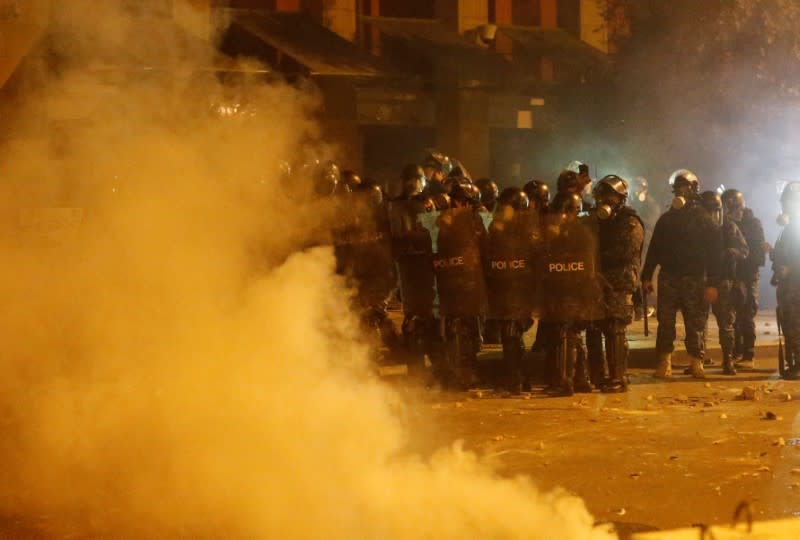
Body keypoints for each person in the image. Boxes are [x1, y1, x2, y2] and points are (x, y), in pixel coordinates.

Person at [641, 169, 722, 379]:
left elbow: (715, 255)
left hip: (695, 279)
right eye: (677, 187)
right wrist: (646, 276)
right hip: (669, 278)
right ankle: (664, 363)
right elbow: (655, 249)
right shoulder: (667, 220)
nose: (680, 191)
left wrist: (713, 283)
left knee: (695, 323)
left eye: (684, 187)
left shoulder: (704, 220)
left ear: (694, 189)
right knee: (665, 323)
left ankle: (696, 362)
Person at [540, 192, 602, 395]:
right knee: (573, 335)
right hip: (563, 289)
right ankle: (580, 378)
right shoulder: (559, 232)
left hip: (574, 290)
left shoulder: (579, 234)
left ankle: (564, 381)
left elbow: (583, 265)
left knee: (566, 333)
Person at [430, 179, 489, 388]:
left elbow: (484, 246)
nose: (460, 205)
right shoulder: (442, 221)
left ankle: (471, 362)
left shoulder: (476, 221)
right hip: (448, 275)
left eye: (464, 202)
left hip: (470, 278)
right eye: (457, 201)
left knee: (472, 322)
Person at [592, 175, 645, 392]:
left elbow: (624, 252)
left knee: (616, 328)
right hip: (599, 282)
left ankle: (618, 377)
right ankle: (600, 373)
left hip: (620, 282)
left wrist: (594, 256)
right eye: (601, 195)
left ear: (621, 198)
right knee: (598, 327)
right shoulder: (598, 221)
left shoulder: (630, 222)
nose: (605, 200)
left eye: (610, 196)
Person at [485, 187, 540, 393]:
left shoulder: (528, 231)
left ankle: (515, 379)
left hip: (520, 289)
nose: (500, 211)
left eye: (505, 208)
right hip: (502, 287)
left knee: (511, 331)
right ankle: (519, 376)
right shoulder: (496, 229)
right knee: (510, 334)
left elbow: (535, 259)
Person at [388, 164, 439, 374]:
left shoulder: (405, 205)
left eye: (414, 180)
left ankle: (424, 366)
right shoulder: (404, 206)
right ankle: (421, 366)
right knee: (420, 315)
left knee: (421, 315)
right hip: (414, 266)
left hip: (417, 265)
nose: (413, 184)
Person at [699, 191, 748, 375]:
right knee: (697, 323)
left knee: (726, 323)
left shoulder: (728, 226)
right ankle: (698, 358)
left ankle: (728, 359)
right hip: (701, 280)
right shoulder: (696, 227)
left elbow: (744, 250)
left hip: (723, 280)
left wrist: (729, 253)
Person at [721, 189, 766, 366]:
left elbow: (757, 255)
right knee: (732, 315)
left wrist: (742, 269)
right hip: (732, 276)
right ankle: (736, 351)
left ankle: (748, 353)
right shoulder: (726, 223)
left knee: (746, 313)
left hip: (748, 276)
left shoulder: (753, 224)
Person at [770, 182, 800, 380]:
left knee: (795, 323)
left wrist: (790, 267)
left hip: (796, 285)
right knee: (790, 322)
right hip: (789, 285)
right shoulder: (789, 227)